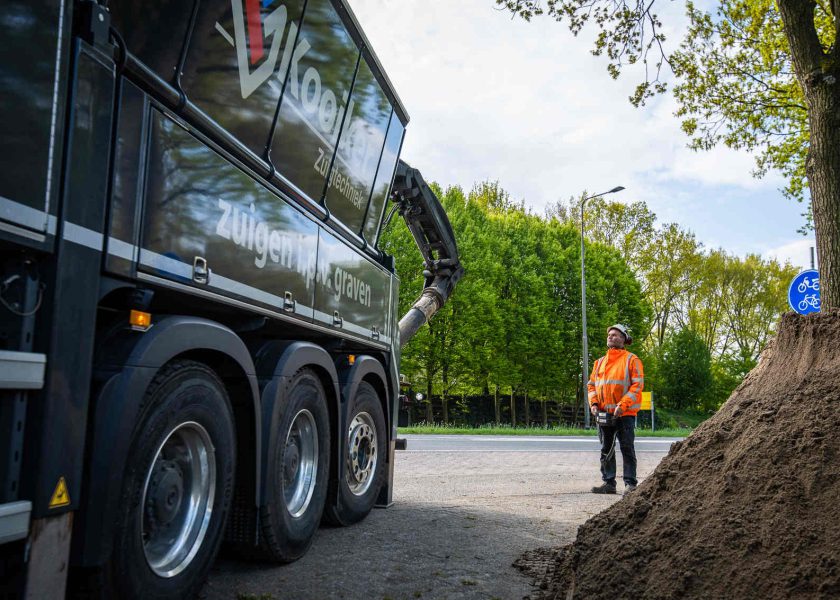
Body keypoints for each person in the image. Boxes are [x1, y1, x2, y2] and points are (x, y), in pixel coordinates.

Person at [588, 323, 644, 494]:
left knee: (627, 448)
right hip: (604, 414)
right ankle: (609, 483)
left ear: (624, 339)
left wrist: (623, 404)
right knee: (606, 449)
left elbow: (637, 385)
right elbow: (591, 386)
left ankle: (630, 484)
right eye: (609, 335)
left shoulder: (632, 360)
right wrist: (594, 404)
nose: (611, 337)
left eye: (615, 335)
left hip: (624, 414)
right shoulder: (599, 363)